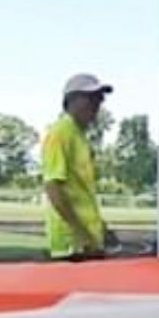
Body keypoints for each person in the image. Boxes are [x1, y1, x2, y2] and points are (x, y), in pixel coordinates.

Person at [41, 74, 112, 262]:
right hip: (72, 244)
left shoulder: (79, 135)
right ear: (72, 100)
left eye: (100, 98)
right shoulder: (60, 134)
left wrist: (100, 226)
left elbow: (81, 189)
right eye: (91, 98)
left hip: (87, 240)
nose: (98, 104)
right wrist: (78, 230)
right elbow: (53, 186)